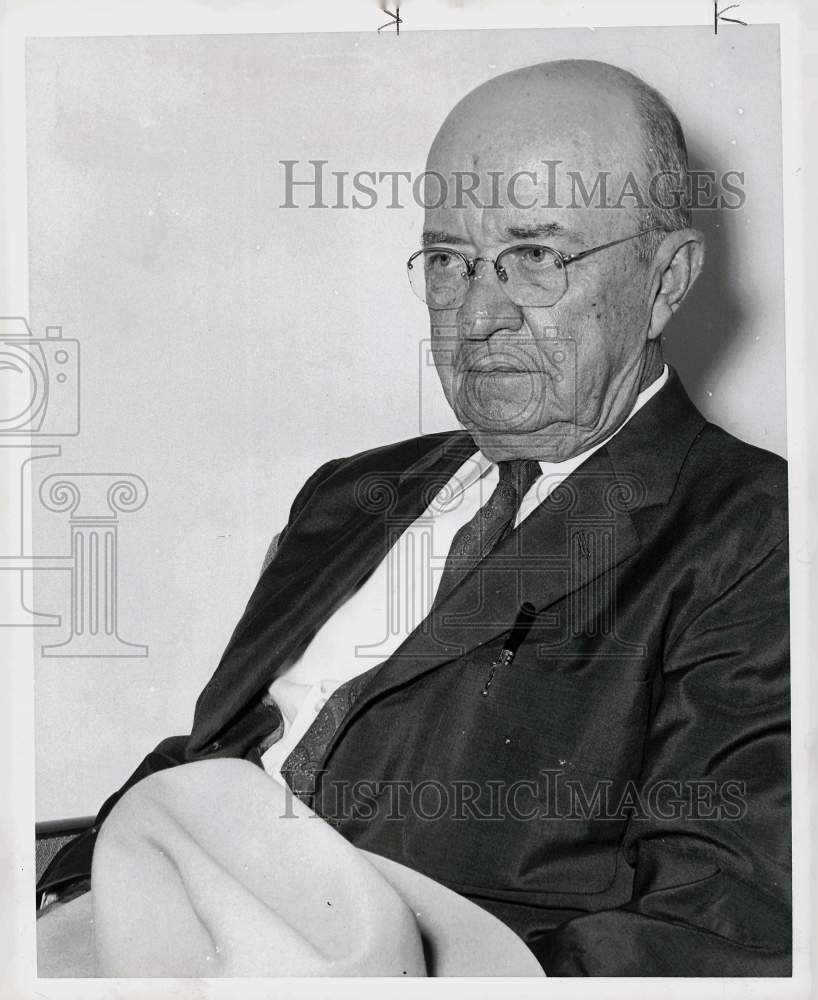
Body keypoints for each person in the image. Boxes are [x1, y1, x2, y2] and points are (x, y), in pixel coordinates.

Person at [37, 58, 790, 976]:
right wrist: (70, 889)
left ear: (665, 279)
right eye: (448, 261)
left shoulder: (759, 533)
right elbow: (224, 749)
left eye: (536, 257)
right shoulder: (350, 494)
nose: (477, 315)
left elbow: (723, 924)